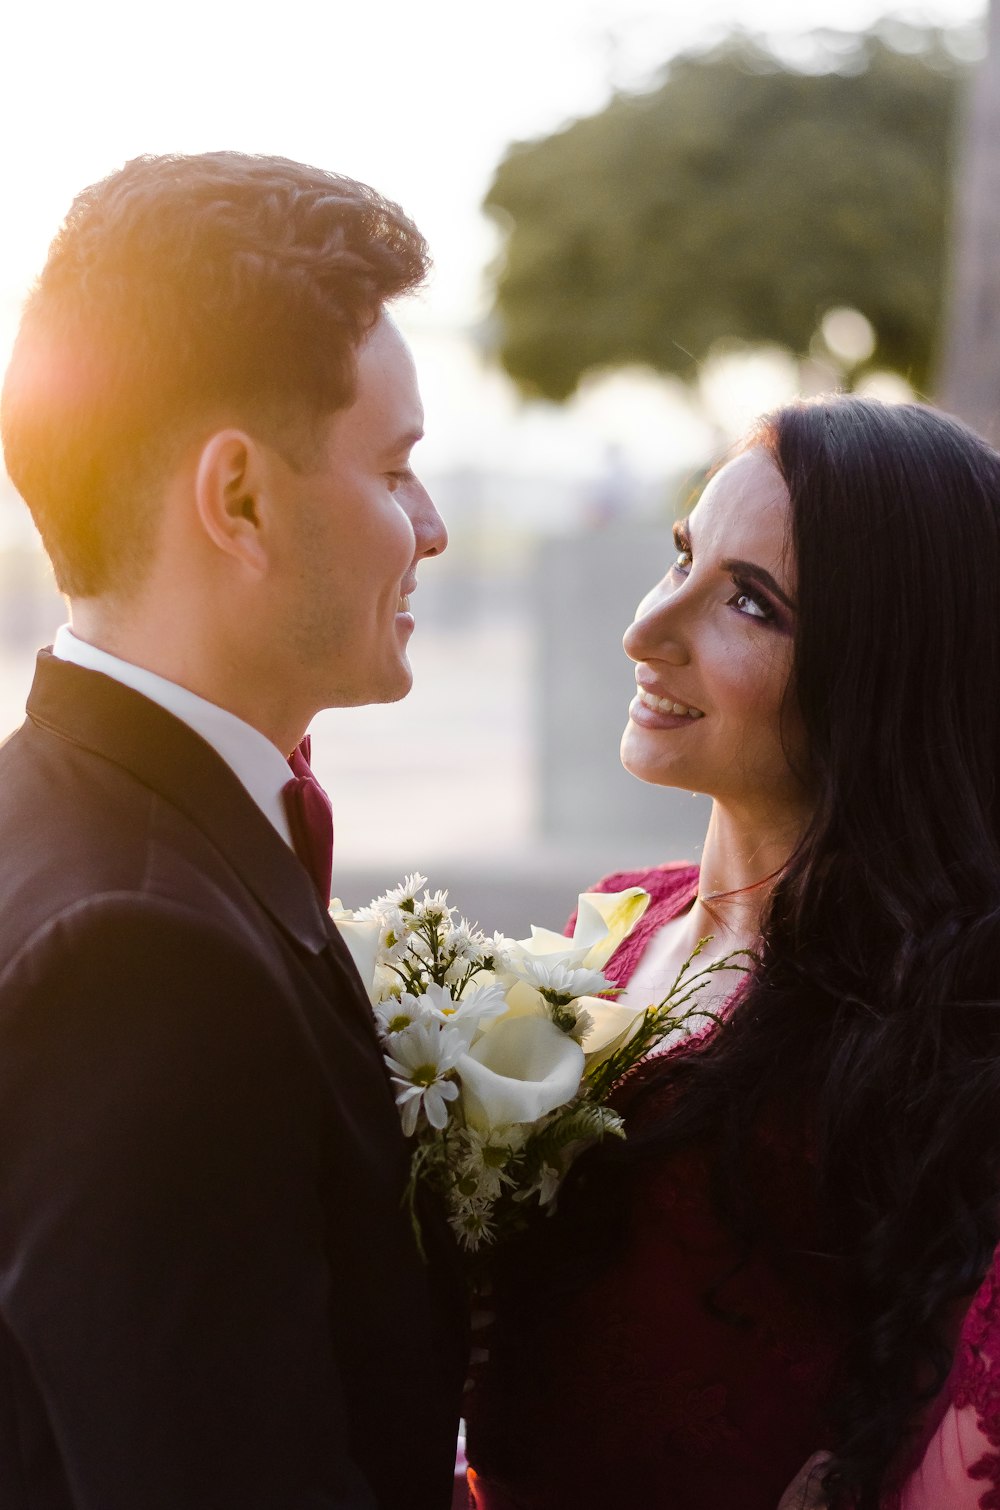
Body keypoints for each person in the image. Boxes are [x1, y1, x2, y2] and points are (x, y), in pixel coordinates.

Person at [0, 152, 465, 1509]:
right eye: (397, 468)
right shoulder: (138, 953)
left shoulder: (71, 825)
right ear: (241, 499)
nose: (430, 528)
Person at [463, 396, 1000, 1510]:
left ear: (882, 677)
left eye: (749, 604)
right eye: (680, 558)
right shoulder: (610, 929)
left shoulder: (935, 1039)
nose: (646, 630)